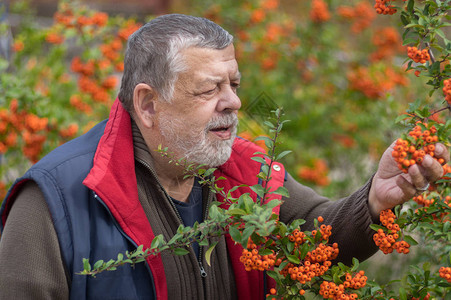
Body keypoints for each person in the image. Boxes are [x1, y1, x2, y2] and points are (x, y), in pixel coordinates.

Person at [0, 14, 448, 300]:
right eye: (209, 89)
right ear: (148, 104)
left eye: (234, 84)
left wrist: (376, 199)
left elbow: (314, 236)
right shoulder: (56, 200)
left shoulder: (244, 169)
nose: (233, 102)